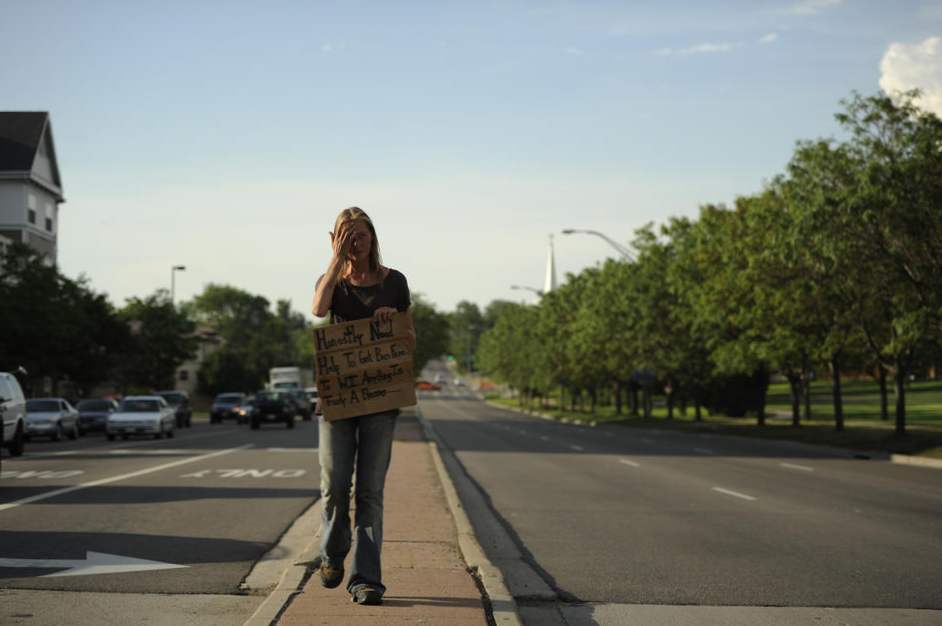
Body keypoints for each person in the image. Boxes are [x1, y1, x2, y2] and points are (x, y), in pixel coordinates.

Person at [310, 207, 414, 606]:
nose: (356, 242)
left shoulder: (395, 283)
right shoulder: (332, 283)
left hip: (381, 399)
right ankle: (332, 554)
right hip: (337, 399)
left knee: (370, 492)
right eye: (346, 236)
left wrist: (392, 321)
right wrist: (336, 261)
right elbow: (318, 310)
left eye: (361, 235)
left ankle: (366, 579)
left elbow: (409, 337)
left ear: (373, 237)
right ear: (336, 240)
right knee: (335, 484)